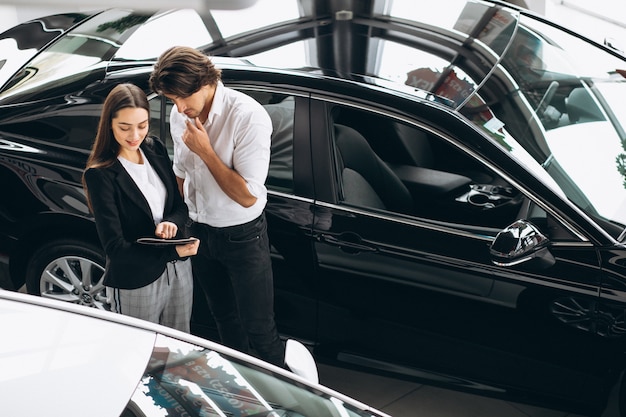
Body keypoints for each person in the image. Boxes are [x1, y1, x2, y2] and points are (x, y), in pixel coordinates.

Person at [149, 46, 285, 367]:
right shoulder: (182, 112)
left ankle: (283, 403)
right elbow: (181, 174)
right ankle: (241, 396)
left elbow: (248, 196)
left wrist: (207, 151)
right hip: (198, 232)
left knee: (260, 330)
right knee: (223, 319)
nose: (179, 108)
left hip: (242, 237)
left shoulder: (247, 117)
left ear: (206, 82)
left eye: (183, 97)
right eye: (172, 100)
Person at [82, 83, 199, 332]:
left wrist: (172, 223)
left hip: (178, 271)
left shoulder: (154, 148)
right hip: (137, 279)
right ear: (109, 124)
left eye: (142, 126)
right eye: (125, 127)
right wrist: (173, 252)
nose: (135, 135)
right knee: (138, 351)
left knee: (179, 344)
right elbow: (116, 248)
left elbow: (179, 205)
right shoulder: (100, 175)